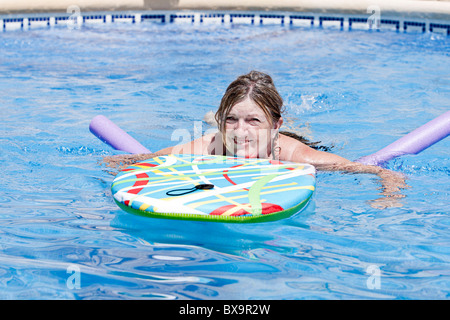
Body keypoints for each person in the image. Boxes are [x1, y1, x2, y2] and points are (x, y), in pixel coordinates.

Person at [105, 71, 409, 208]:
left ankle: (287, 121)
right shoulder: (208, 146)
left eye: (253, 120)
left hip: (287, 142)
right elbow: (130, 162)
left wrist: (388, 198)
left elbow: (383, 172)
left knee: (305, 133)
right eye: (232, 120)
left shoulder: (296, 156)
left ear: (274, 125)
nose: (240, 131)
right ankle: (218, 114)